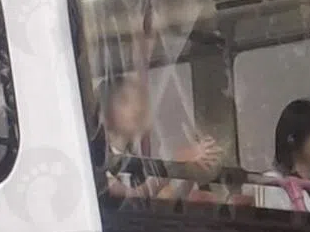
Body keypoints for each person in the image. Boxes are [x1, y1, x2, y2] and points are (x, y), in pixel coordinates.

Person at [90, 76, 223, 201]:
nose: (136, 108)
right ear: (103, 114)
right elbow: (136, 197)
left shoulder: (134, 161)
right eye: (124, 101)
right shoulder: (97, 164)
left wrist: (190, 173)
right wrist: (179, 160)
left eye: (138, 101)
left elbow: (156, 204)